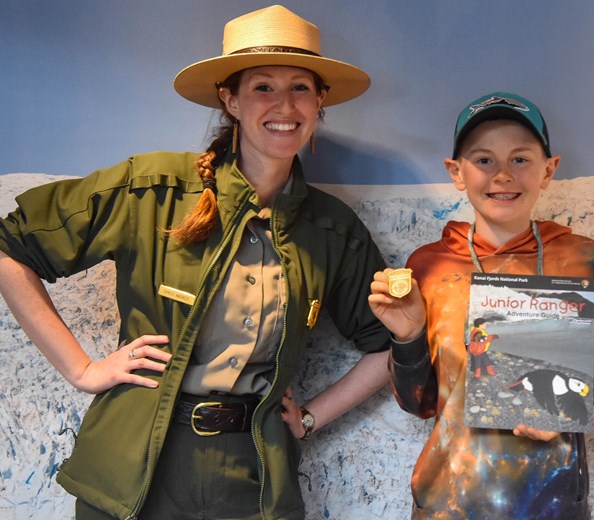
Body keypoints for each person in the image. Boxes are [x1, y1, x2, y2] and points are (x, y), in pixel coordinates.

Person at [0, 5, 391, 519]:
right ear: (229, 99)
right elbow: (11, 248)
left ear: (321, 101)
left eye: (301, 87)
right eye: (263, 87)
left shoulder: (333, 229)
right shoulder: (153, 189)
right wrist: (82, 369)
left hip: (254, 475)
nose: (285, 105)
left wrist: (313, 417)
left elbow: (387, 344)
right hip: (133, 467)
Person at [368, 92, 594, 519]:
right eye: (484, 160)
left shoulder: (582, 258)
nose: (503, 175)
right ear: (456, 172)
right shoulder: (430, 266)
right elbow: (417, 402)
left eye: (520, 159)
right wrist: (408, 336)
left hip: (553, 498)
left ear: (549, 170)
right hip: (449, 500)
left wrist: (585, 403)